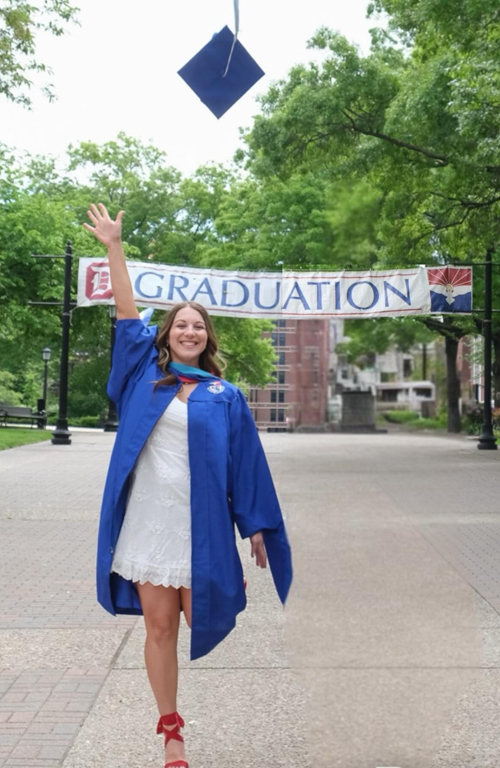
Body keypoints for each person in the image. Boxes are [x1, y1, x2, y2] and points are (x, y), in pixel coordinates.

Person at [84, 204, 293, 768]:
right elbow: (127, 315)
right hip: (150, 523)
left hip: (199, 522)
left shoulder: (225, 397)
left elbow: (246, 464)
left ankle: (223, 582)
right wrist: (114, 246)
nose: (189, 330)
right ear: (168, 334)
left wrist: (255, 527)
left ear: (208, 337)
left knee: (208, 614)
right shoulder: (141, 380)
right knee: (159, 627)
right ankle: (171, 729)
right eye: (180, 324)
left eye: (198, 325)